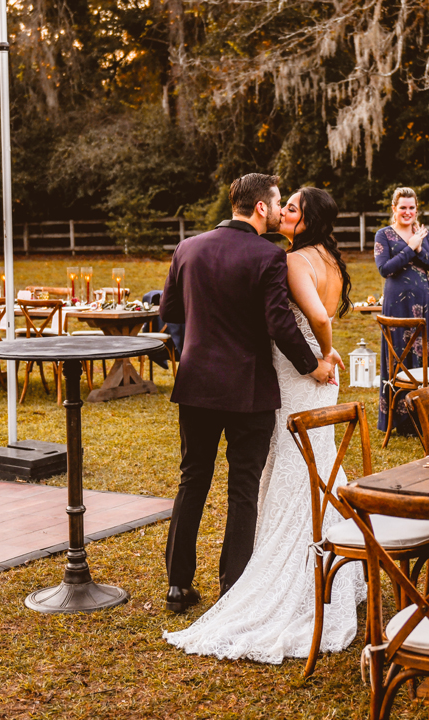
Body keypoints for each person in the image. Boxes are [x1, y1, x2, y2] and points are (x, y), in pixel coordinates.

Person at [164, 187, 366, 663]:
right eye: (278, 203)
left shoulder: (187, 247)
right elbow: (279, 320)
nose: (280, 211)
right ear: (261, 206)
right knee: (243, 485)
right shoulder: (270, 255)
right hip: (247, 388)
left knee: (192, 479)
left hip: (195, 385)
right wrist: (313, 363)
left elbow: (170, 313)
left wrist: (192, 347)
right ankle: (233, 583)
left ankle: (177, 583)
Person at [373, 187, 429, 435]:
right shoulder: (383, 235)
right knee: (400, 357)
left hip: (425, 305)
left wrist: (419, 248)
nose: (407, 212)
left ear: (417, 209)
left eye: (411, 207)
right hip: (398, 307)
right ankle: (400, 420)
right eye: (402, 207)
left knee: (425, 355)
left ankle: (423, 416)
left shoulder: (424, 234)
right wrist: (408, 248)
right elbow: (385, 269)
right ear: (394, 208)